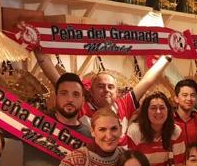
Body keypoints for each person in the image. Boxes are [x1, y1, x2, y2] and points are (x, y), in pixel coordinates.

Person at [36, 52, 172, 135]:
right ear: (91, 91)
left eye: (110, 87)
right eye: (100, 86)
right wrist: (39, 53)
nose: (106, 90)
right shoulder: (81, 106)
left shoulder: (123, 104)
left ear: (117, 92)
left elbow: (147, 81)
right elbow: (58, 80)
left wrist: (167, 57)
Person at [126, 91, 185, 166]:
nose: (158, 112)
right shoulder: (134, 131)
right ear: (146, 112)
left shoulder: (176, 131)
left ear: (168, 111)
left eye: (162, 108)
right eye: (153, 108)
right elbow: (130, 165)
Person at [173, 79, 197, 144]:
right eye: (185, 95)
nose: (189, 99)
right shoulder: (169, 119)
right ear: (176, 99)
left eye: (192, 95)